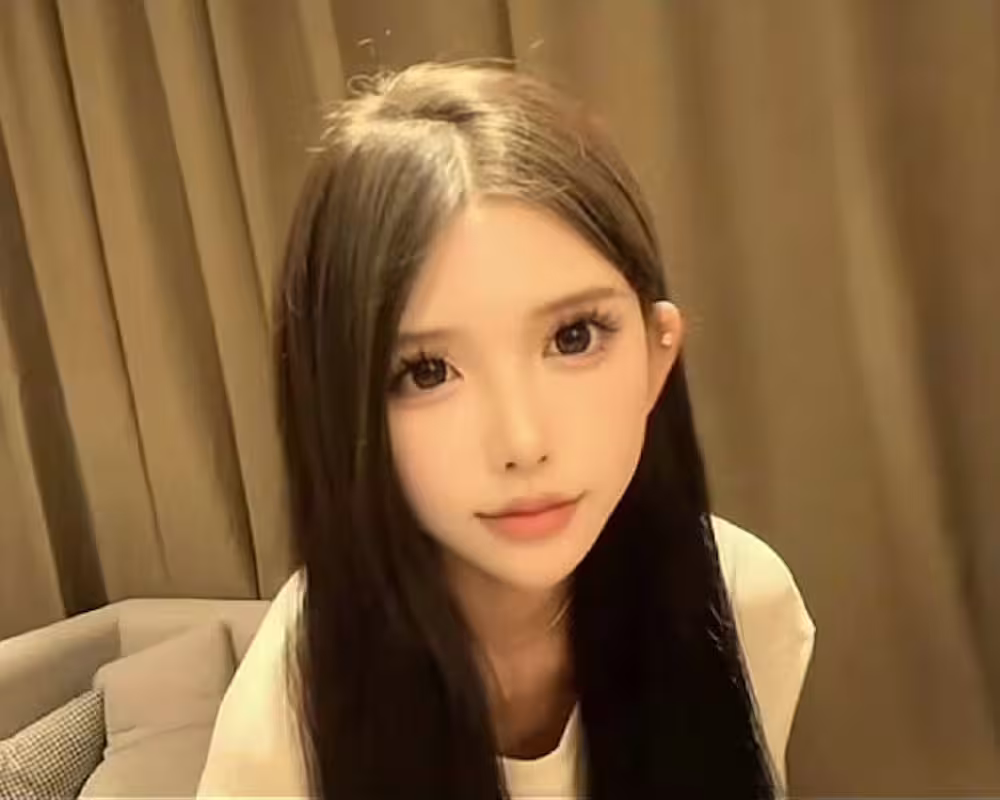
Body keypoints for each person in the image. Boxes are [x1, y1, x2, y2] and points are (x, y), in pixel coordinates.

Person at [197, 61, 815, 799]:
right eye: (427, 371)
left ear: (658, 356)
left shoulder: (742, 604)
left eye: (575, 337)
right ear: (342, 413)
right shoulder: (288, 715)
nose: (522, 443)